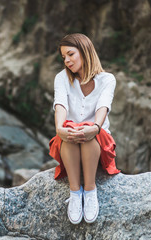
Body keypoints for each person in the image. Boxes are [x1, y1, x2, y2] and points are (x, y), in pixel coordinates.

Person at [49, 33, 120, 225]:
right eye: (64, 57)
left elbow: (103, 107)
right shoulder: (62, 78)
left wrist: (95, 127)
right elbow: (60, 104)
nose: (67, 61)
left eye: (71, 54)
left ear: (85, 51)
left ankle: (90, 191)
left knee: (87, 130)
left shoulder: (107, 79)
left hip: (98, 139)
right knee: (70, 130)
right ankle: (75, 193)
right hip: (69, 141)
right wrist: (60, 129)